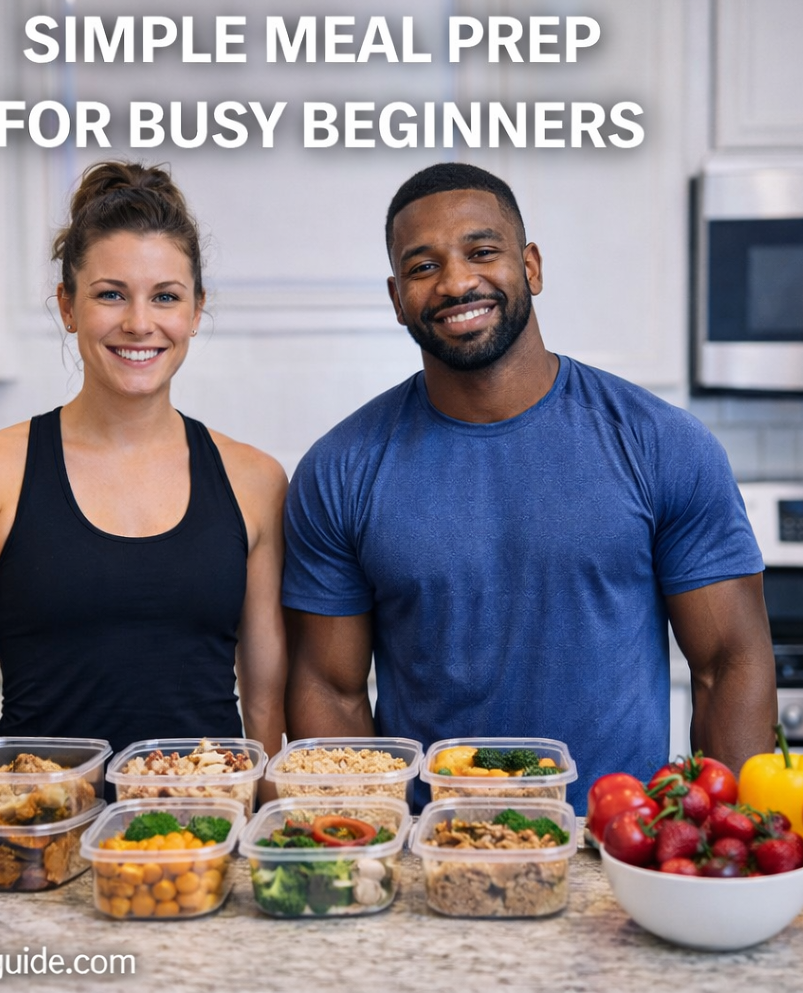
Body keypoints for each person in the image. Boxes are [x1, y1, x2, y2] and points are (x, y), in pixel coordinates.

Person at [281, 161, 777, 811]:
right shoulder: (341, 470)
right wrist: (377, 847)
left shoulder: (660, 444)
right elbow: (329, 688)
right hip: (437, 852)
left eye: (481, 251)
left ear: (532, 267)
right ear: (397, 296)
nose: (457, 282)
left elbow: (729, 664)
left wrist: (724, 845)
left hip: (613, 848)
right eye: (423, 266)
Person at [0, 161, 288, 791]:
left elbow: (268, 703)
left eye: (166, 295)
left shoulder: (256, 480)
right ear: (68, 307)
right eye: (111, 293)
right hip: (39, 836)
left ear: (195, 310)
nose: (139, 322)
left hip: (204, 837)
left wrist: (262, 840)